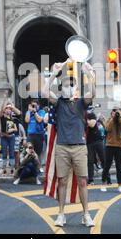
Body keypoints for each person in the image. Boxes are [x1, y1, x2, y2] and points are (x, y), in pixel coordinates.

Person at [42, 59, 96, 228]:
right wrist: (52, 75)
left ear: (76, 88)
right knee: (62, 181)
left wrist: (89, 75)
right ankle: (61, 214)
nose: (69, 87)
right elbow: (44, 93)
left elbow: (92, 93)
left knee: (82, 182)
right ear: (61, 88)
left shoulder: (81, 102)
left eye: (71, 85)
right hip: (62, 147)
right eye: (66, 85)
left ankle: (86, 214)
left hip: (80, 147)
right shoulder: (58, 103)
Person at [101, 108, 121, 193]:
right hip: (109, 145)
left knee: (119, 167)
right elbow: (107, 129)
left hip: (119, 146)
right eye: (113, 113)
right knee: (107, 166)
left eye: (117, 113)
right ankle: (103, 184)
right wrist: (113, 119)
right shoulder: (109, 121)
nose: (115, 114)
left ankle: (120, 185)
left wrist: (119, 118)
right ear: (111, 114)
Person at [0, 97, 21, 175]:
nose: (8, 110)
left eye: (9, 109)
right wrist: (5, 101)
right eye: (7, 109)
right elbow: (0, 110)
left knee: (12, 153)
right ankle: (3, 169)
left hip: (11, 137)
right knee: (4, 153)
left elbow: (15, 128)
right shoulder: (2, 117)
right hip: (4, 137)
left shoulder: (13, 118)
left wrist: (11, 105)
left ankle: (12, 169)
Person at [86, 112, 105, 185]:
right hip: (89, 142)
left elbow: (92, 124)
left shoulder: (90, 114)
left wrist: (84, 121)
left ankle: (107, 177)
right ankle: (91, 180)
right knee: (90, 161)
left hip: (97, 140)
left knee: (103, 158)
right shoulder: (81, 115)